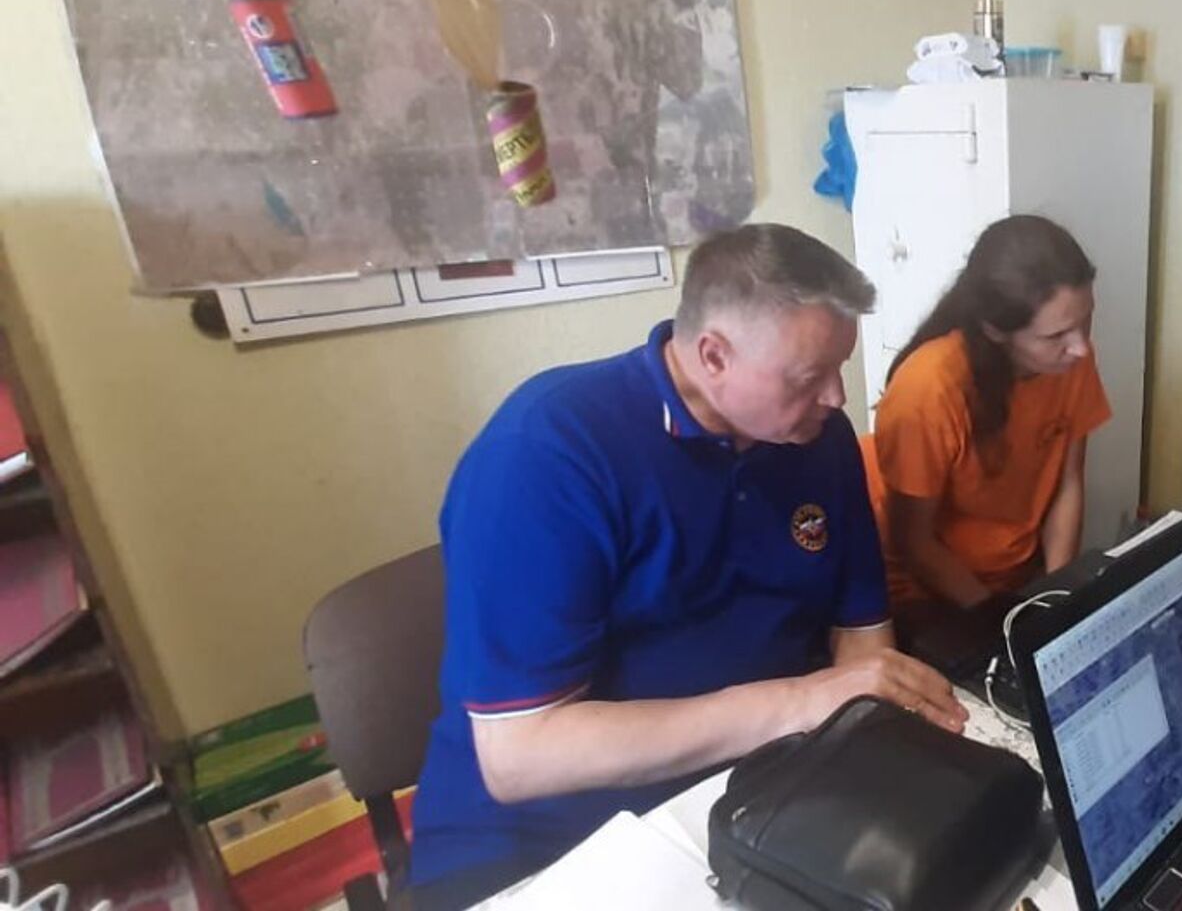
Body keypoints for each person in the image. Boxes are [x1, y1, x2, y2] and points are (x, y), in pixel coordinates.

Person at [410, 224, 968, 908]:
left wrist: (858, 743)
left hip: (757, 784)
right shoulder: (547, 452)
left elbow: (860, 639)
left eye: (839, 368)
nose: (836, 398)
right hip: (546, 841)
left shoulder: (818, 442)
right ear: (713, 355)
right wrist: (798, 702)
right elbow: (520, 757)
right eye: (809, 378)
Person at [864, 215, 1110, 613]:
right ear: (995, 330)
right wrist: (1000, 617)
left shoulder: (1069, 360)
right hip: (926, 588)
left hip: (1013, 575)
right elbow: (916, 544)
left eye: (1086, 320)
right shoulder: (928, 389)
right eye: (1056, 335)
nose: (1081, 347)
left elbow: (1068, 483)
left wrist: (1058, 595)